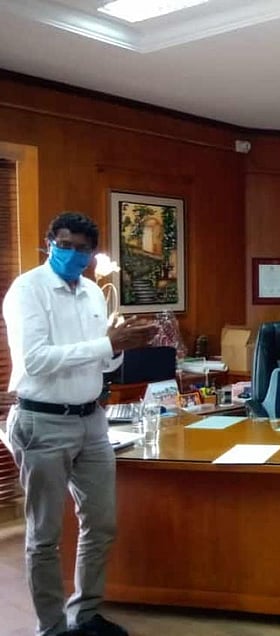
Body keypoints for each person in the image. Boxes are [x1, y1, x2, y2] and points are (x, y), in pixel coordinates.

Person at [2, 212, 157, 636]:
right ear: (49, 242)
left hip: (92, 421)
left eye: (82, 249)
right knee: (44, 535)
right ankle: (51, 628)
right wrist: (106, 343)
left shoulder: (92, 292)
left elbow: (103, 360)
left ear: (92, 254)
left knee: (101, 523)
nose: (72, 254)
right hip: (42, 422)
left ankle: (85, 615)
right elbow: (35, 361)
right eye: (64, 244)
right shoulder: (26, 291)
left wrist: (122, 345)